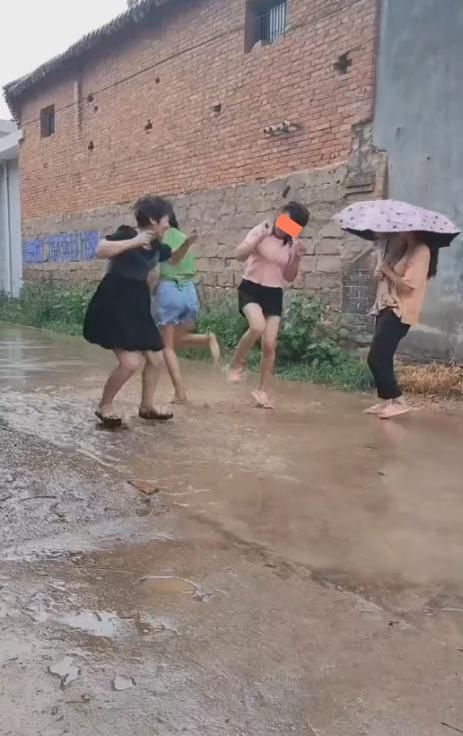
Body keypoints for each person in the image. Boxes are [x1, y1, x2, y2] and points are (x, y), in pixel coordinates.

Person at [83, 195, 194, 427]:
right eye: (166, 220)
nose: (168, 225)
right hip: (113, 302)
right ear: (153, 219)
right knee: (130, 363)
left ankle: (147, 407)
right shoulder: (126, 234)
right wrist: (134, 242)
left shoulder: (157, 246)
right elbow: (101, 250)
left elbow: (173, 259)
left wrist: (187, 243)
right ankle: (105, 406)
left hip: (137, 303)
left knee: (156, 358)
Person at [227, 201, 310, 409]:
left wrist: (297, 259)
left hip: (273, 292)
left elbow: (289, 277)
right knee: (257, 326)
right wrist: (259, 239)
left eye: (292, 225)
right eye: (285, 220)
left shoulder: (292, 244)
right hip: (251, 288)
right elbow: (239, 255)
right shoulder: (261, 230)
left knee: (270, 344)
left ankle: (262, 391)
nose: (285, 226)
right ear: (280, 215)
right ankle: (234, 365)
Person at [366, 232, 439, 419]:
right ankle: (387, 401)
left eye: (402, 228)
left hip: (400, 311)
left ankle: (399, 401)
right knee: (383, 357)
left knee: (376, 357)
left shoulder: (421, 251)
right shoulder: (401, 248)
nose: (397, 231)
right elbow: (389, 275)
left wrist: (388, 271)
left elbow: (408, 286)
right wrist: (381, 271)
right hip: (385, 307)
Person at [151, 212, 221, 403]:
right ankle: (207, 339)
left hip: (168, 290)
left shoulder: (159, 239)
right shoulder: (183, 237)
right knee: (175, 340)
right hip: (189, 292)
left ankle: (180, 392)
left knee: (167, 347)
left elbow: (159, 269)